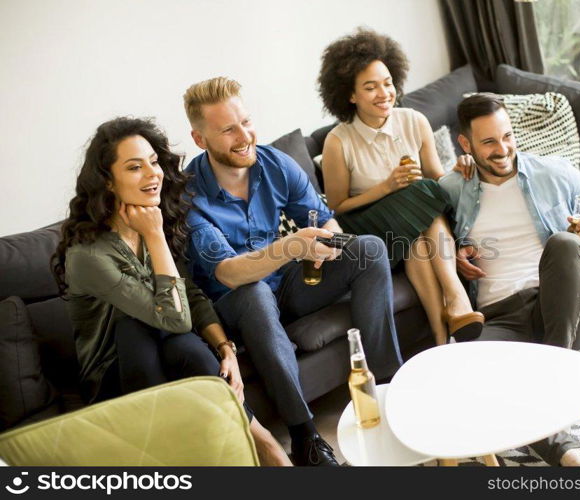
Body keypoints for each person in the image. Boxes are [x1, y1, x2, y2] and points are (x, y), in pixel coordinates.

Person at [182, 77, 403, 466]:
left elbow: (328, 224)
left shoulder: (274, 163)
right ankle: (306, 437)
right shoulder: (188, 197)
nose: (244, 136)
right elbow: (229, 274)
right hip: (236, 305)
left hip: (286, 286)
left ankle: (386, 387)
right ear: (200, 140)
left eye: (246, 122)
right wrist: (291, 246)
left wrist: (327, 248)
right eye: (228, 129)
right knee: (253, 292)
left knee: (368, 248)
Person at [52, 117, 291, 466]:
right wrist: (155, 235)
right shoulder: (90, 256)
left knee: (184, 345)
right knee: (135, 326)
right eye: (135, 167)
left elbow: (190, 295)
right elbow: (176, 318)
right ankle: (263, 445)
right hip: (113, 379)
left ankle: (253, 445)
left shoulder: (148, 221)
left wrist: (226, 349)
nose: (153, 174)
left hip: (168, 348)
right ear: (108, 180)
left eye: (153, 162)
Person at [439, 93, 580, 466]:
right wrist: (456, 251)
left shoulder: (552, 171)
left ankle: (551, 372)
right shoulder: (452, 188)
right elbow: (432, 235)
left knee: (565, 243)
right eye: (489, 142)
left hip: (560, 309)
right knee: (462, 368)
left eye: (507, 136)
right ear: (466, 144)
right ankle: (565, 444)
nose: (502, 149)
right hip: (499, 316)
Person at [317, 28, 483, 346]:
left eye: (387, 83)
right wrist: (386, 187)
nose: (384, 93)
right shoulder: (338, 141)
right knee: (416, 194)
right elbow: (337, 207)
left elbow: (436, 177)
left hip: (407, 225)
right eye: (370, 88)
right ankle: (456, 295)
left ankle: (440, 337)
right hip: (366, 227)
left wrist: (459, 168)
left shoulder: (413, 121)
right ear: (350, 95)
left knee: (418, 237)